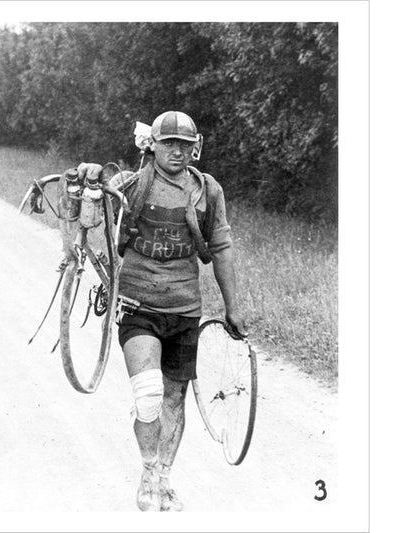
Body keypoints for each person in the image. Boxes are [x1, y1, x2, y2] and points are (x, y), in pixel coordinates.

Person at [80, 111, 247, 512]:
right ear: (151, 144)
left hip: (185, 309)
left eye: (185, 145)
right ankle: (148, 469)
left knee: (175, 400)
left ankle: (163, 478)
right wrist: (87, 182)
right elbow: (90, 211)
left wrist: (233, 307)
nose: (177, 151)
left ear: (196, 147)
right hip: (138, 305)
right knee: (150, 394)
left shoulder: (207, 190)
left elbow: (221, 249)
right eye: (168, 143)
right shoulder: (130, 185)